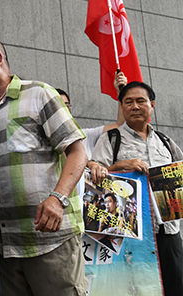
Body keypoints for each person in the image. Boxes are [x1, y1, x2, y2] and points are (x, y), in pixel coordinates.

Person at [0, 39, 88, 296]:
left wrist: (58, 198)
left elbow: (78, 152)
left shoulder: (39, 93)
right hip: (2, 243)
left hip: (50, 239)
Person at [89, 81, 183, 296]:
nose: (135, 107)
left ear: (152, 105)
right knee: (135, 290)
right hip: (130, 234)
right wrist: (120, 166)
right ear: (122, 106)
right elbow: (94, 178)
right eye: (128, 102)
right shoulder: (111, 139)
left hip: (168, 230)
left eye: (141, 101)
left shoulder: (165, 141)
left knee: (176, 286)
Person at [55, 70, 127, 159]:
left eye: (66, 105)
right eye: (59, 106)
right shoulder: (43, 144)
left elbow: (120, 125)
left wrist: (122, 93)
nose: (64, 110)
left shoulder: (86, 136)